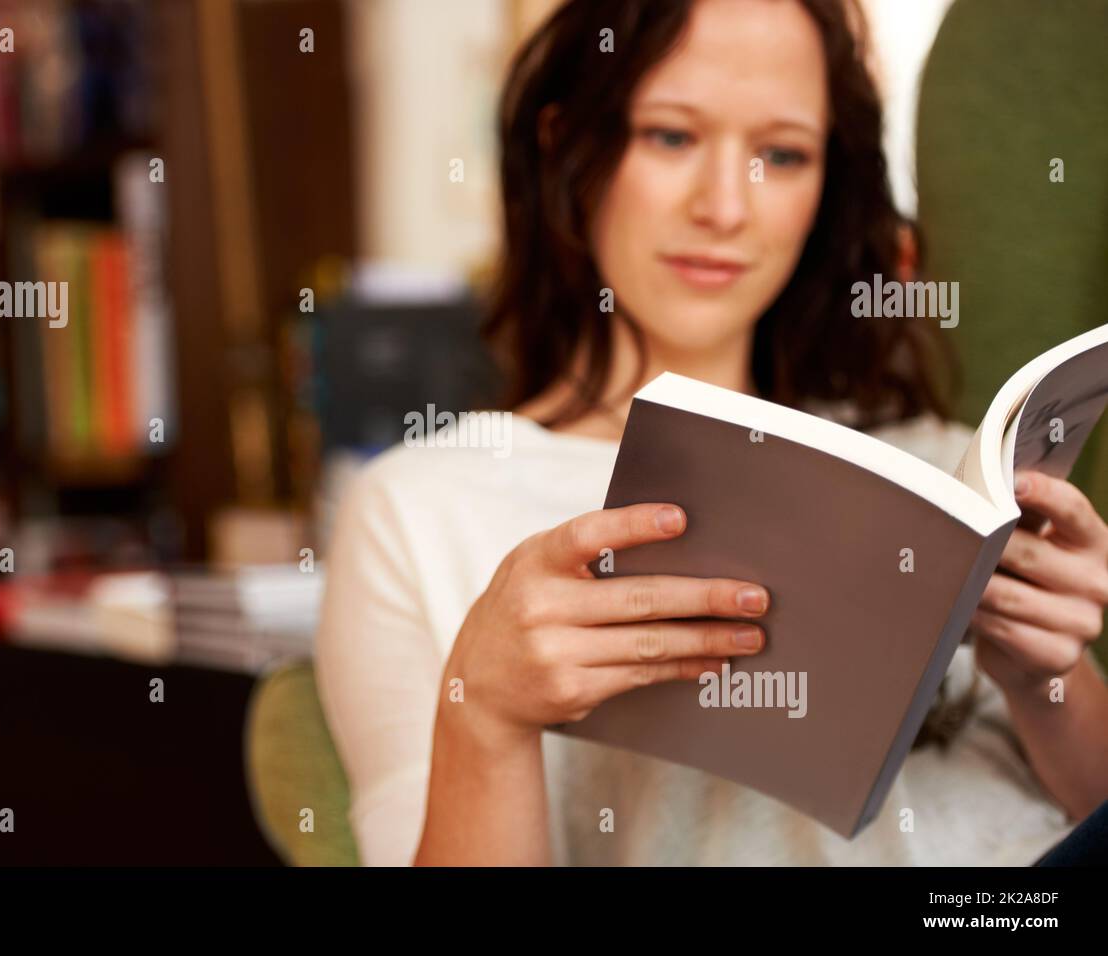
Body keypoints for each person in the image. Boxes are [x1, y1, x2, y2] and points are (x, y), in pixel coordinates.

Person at [314, 0, 1108, 866]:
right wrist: (486, 717)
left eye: (782, 153)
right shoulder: (418, 508)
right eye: (671, 136)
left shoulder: (940, 466)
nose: (727, 206)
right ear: (565, 148)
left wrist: (1044, 679)